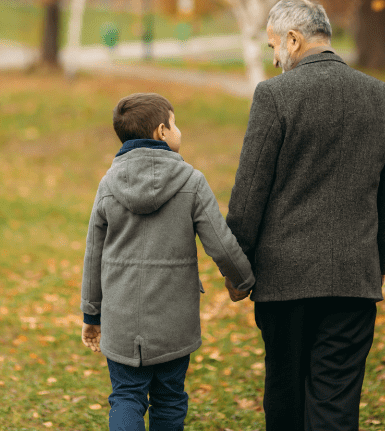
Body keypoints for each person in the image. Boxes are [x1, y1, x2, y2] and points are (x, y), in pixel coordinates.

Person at [225, 0, 385, 431]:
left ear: (293, 38)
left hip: (284, 282)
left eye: (273, 48)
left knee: (285, 399)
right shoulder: (381, 95)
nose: (273, 59)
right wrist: (375, 264)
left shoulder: (275, 96)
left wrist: (237, 269)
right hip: (353, 280)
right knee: (336, 404)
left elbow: (249, 194)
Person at [80, 92, 255, 431]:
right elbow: (220, 243)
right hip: (173, 324)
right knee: (170, 398)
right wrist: (242, 280)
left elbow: (93, 254)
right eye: (175, 124)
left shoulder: (109, 184)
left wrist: (91, 314)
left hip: (121, 320)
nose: (178, 130)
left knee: (126, 396)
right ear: (162, 131)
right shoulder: (191, 182)